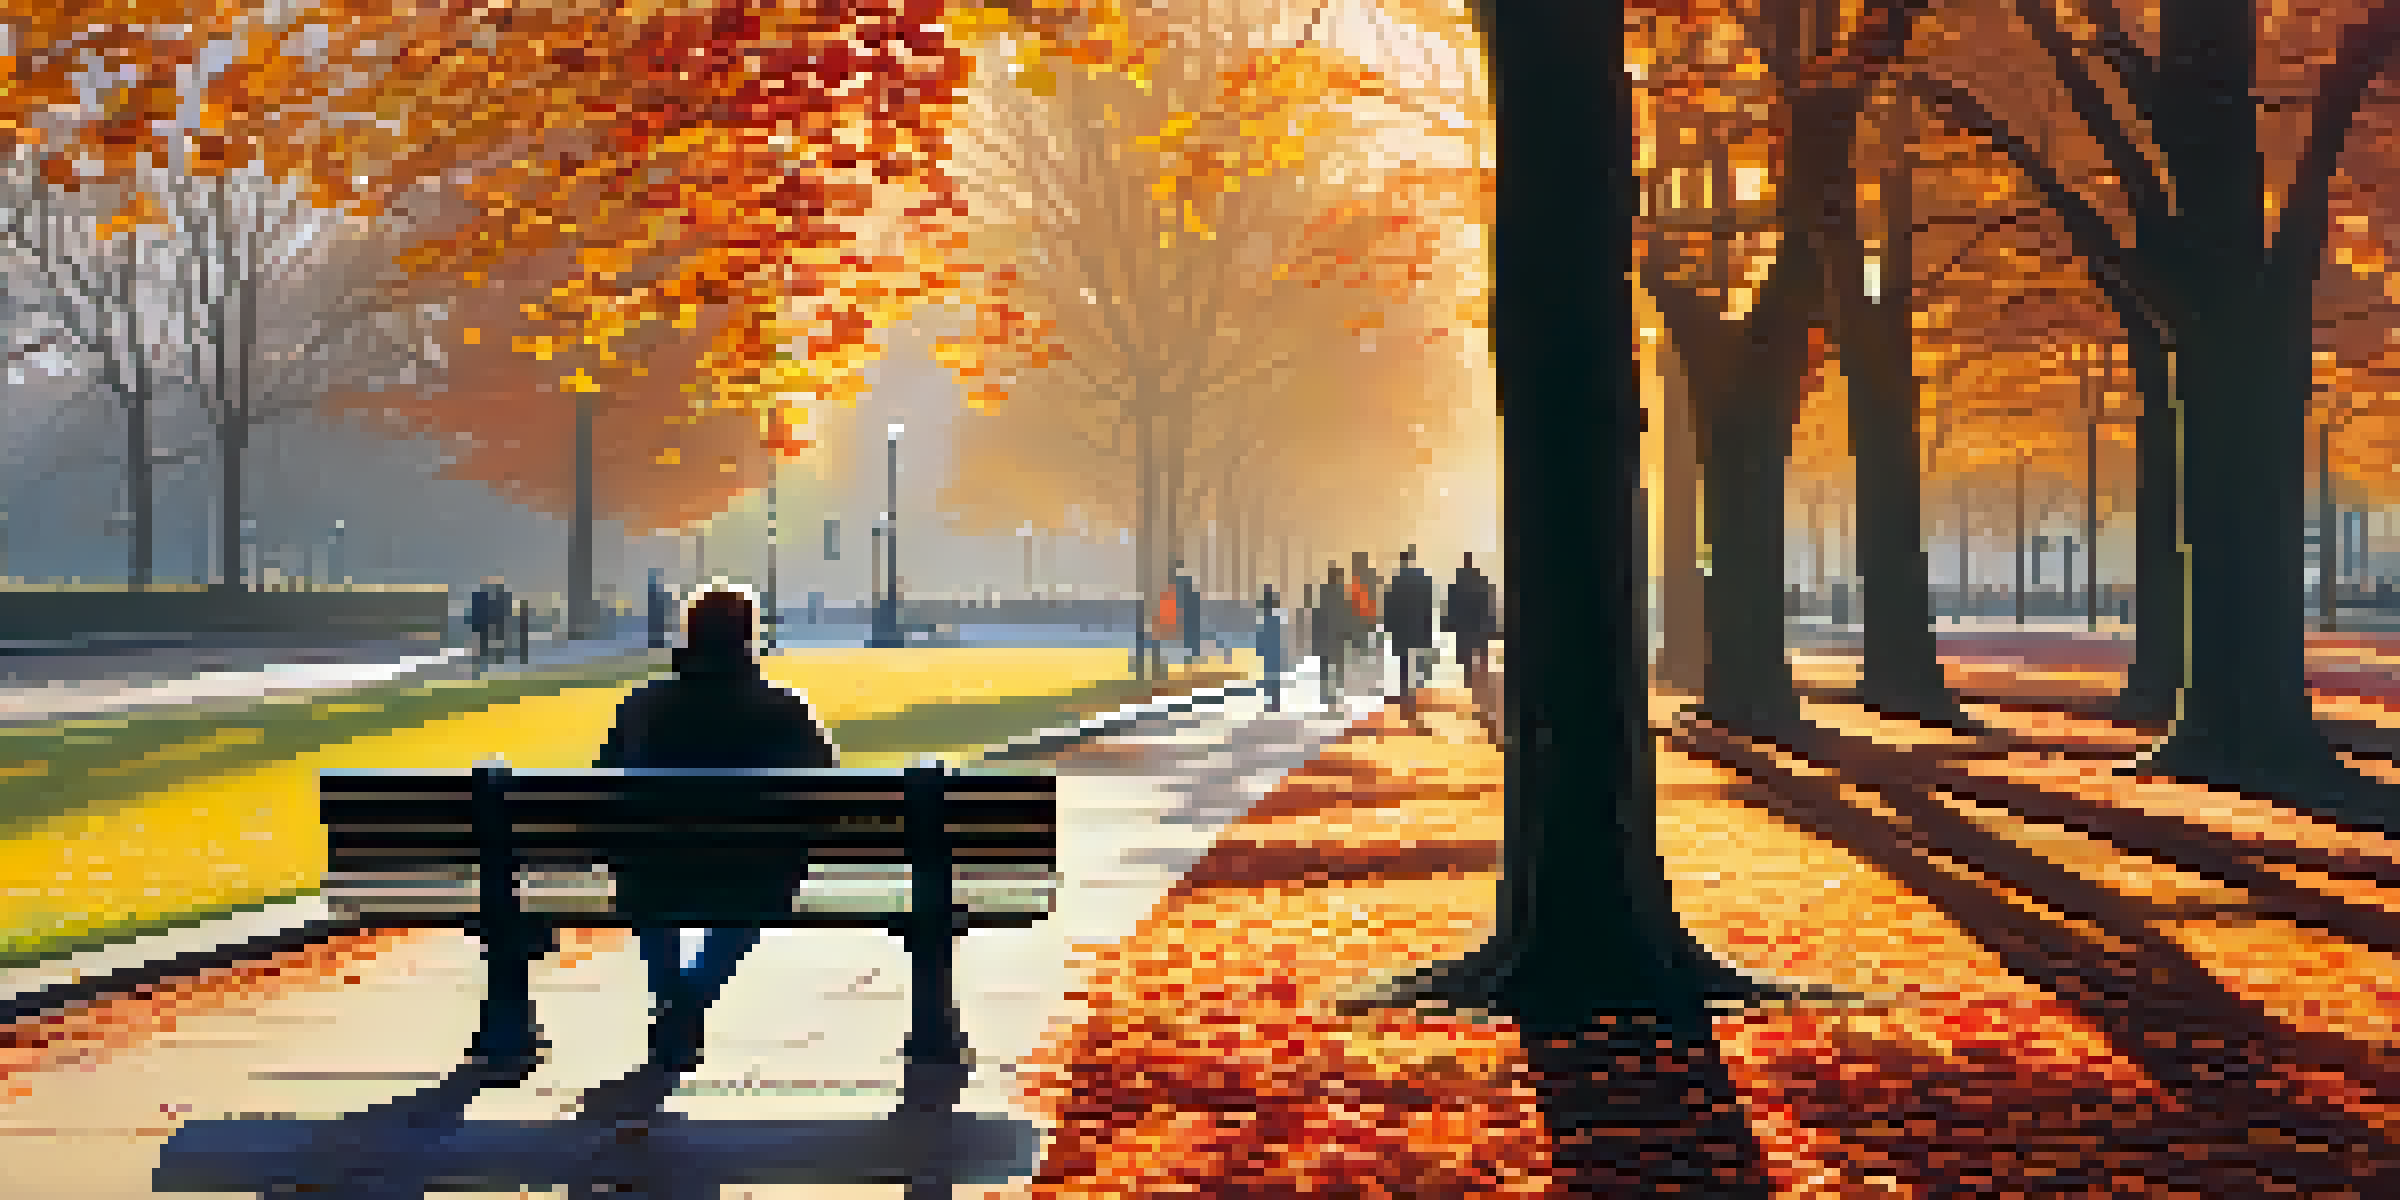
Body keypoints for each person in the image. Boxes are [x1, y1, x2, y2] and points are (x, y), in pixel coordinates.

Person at [594, 588, 841, 1072]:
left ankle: (672, 1002)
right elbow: (823, 789)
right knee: (753, 893)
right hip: (750, 873)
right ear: (746, 637)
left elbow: (604, 785)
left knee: (646, 880)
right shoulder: (782, 705)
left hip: (653, 870)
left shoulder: (643, 704)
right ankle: (688, 1003)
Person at [1444, 552, 1498, 699]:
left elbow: (1452, 608)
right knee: (1480, 657)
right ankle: (1480, 687)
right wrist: (1491, 627)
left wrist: (1450, 625)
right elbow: (1489, 607)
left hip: (1464, 628)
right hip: (1479, 627)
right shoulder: (1481, 583)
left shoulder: (1456, 586)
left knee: (1467, 659)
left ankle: (1473, 688)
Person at [1383, 546, 1436, 697]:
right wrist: (1428, 626)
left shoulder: (1396, 581)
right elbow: (1428, 605)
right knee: (1419, 659)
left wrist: (1389, 627)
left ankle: (1405, 692)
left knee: (1404, 661)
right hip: (1419, 627)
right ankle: (1419, 691)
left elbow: (1390, 606)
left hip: (1402, 629)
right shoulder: (1422, 580)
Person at [1317, 564, 1347, 705]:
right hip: (1337, 638)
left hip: (1325, 637)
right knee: (1338, 668)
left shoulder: (1323, 594)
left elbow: (1317, 616)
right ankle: (1335, 697)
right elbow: (1346, 617)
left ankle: (1326, 696)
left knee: (1326, 668)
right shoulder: (1341, 596)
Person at [1257, 583, 1285, 713]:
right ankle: (1274, 705)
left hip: (1270, 653)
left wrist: (1259, 651)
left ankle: (1271, 705)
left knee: (1269, 679)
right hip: (1275, 652)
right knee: (1273, 679)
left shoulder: (1265, 620)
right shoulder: (1276, 618)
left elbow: (1260, 637)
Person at [1172, 560, 1203, 665]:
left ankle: (1191, 659)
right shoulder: (1188, 582)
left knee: (1189, 637)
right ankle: (1192, 658)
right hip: (1191, 614)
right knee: (1191, 637)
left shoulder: (1182, 582)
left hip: (1189, 614)